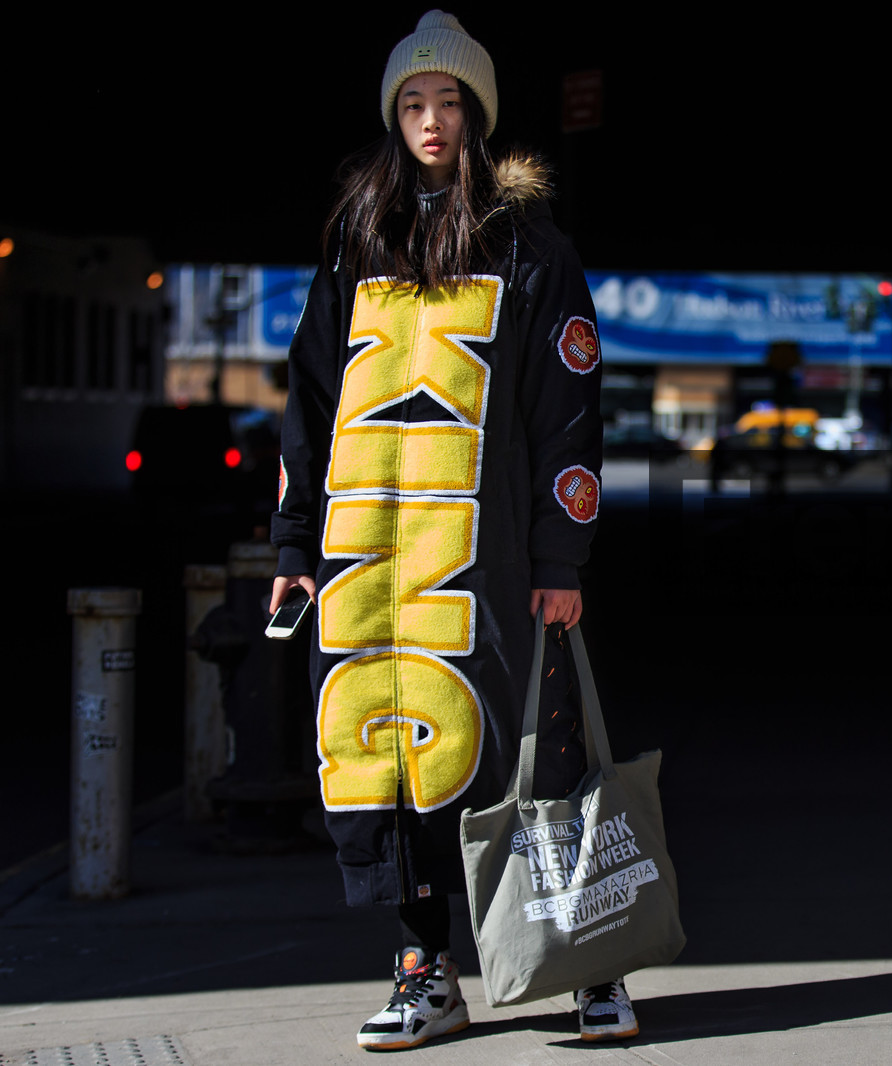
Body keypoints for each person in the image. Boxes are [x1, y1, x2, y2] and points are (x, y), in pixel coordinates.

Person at [268, 10, 633, 1050]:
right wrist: (297, 547)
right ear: (395, 118)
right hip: (376, 565)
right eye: (413, 105)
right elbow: (309, 399)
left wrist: (562, 557)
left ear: (477, 115)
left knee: (534, 756)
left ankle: (585, 962)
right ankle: (425, 968)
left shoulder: (530, 247)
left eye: (449, 103)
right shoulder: (356, 237)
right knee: (392, 759)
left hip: (497, 561)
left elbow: (569, 407)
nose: (430, 122)